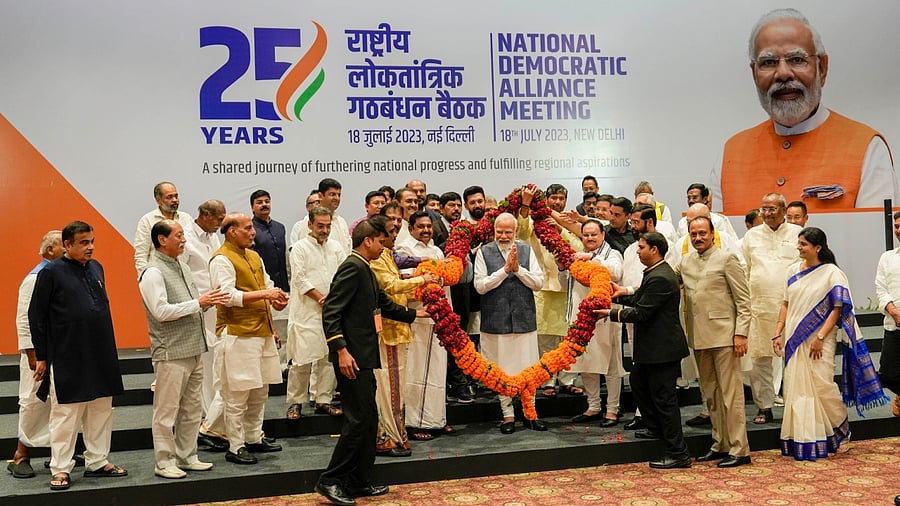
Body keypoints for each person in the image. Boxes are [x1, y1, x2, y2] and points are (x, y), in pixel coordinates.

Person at [712, 8, 896, 213]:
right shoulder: (731, 154)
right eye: (768, 63)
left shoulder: (867, 147)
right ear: (754, 74)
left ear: (822, 68)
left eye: (797, 60)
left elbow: (876, 232)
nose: (783, 74)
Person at [317, 218, 427, 506]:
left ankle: (358, 480)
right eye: (380, 241)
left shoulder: (365, 267)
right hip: (351, 357)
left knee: (368, 420)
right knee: (358, 421)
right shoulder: (352, 267)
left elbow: (384, 305)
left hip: (364, 355)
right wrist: (341, 350)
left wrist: (416, 315)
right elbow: (331, 313)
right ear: (367, 241)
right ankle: (330, 480)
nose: (384, 246)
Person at [772, 228, 888, 460]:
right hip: (795, 339)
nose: (799, 247)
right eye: (798, 243)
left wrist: (820, 337)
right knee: (796, 386)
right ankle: (806, 438)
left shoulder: (832, 273)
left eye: (803, 244)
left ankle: (842, 431)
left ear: (818, 247)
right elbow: (785, 303)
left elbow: (837, 308)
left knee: (822, 385)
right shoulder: (792, 270)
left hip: (820, 339)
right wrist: (777, 333)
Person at [29, 221, 127, 490]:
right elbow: (36, 317)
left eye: (92, 241)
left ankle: (97, 461)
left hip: (101, 352)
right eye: (84, 243)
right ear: (67, 245)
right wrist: (41, 356)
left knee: (101, 409)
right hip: (67, 354)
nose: (90, 247)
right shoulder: (50, 273)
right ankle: (61, 468)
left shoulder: (97, 267)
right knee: (66, 414)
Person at [139, 220, 228, 478]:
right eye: (178, 236)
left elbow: (190, 305)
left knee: (192, 409)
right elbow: (161, 311)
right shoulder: (152, 272)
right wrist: (199, 302)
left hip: (194, 347)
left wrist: (209, 302)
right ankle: (164, 461)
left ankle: (187, 455)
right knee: (166, 411)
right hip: (171, 351)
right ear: (162, 240)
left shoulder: (183, 266)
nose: (184, 240)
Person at [598, 232, 691, 469]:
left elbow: (642, 313)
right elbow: (643, 299)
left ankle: (678, 452)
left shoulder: (660, 276)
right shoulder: (655, 272)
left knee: (665, 400)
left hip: (662, 350)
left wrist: (611, 312)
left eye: (641, 247)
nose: (637, 251)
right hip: (652, 348)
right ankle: (655, 428)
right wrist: (620, 296)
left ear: (654, 250)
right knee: (639, 384)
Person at [209, 213, 288, 465]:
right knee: (237, 395)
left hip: (262, 331)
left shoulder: (253, 256)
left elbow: (268, 285)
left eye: (252, 228)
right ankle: (235, 445)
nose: (253, 232)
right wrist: (265, 294)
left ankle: (253, 437)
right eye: (247, 228)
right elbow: (226, 296)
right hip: (237, 333)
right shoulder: (221, 259)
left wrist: (276, 300)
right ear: (231, 231)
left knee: (260, 390)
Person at [677, 217, 752, 468]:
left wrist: (741, 334)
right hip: (698, 336)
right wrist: (628, 290)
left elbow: (743, 301)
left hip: (725, 336)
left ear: (712, 234)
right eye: (693, 234)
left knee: (731, 395)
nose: (698, 238)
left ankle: (740, 449)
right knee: (710, 395)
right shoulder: (685, 261)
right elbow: (663, 279)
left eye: (702, 233)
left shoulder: (727, 258)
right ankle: (720, 444)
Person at [371, 205, 435, 456]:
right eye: (390, 231)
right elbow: (390, 287)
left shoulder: (388, 254)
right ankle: (387, 437)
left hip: (397, 328)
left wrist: (423, 291)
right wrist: (422, 280)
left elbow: (399, 288)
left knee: (397, 387)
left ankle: (396, 434)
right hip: (387, 331)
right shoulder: (377, 259)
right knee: (389, 387)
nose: (395, 233)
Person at [474, 213, 546, 434]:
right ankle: (508, 415)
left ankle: (530, 413)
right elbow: (480, 286)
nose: (504, 236)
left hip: (524, 319)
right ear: (494, 230)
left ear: (516, 232)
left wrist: (518, 270)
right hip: (496, 321)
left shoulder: (526, 250)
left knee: (528, 368)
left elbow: (539, 282)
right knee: (501, 371)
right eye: (500, 232)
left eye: (508, 232)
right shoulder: (484, 252)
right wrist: (504, 271)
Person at [8, 230, 64, 479]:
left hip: (61, 351)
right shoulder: (34, 278)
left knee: (59, 403)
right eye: (64, 245)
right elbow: (24, 320)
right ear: (50, 250)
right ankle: (20, 456)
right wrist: (32, 354)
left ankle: (59, 453)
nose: (68, 249)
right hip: (39, 354)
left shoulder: (62, 275)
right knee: (32, 402)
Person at [742, 193, 802, 425]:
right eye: (763, 209)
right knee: (760, 361)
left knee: (793, 359)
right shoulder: (752, 236)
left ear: (784, 210)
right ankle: (764, 407)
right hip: (759, 307)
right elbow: (746, 269)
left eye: (772, 209)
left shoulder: (797, 234)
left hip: (791, 308)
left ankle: (795, 407)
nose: (766, 214)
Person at [395, 211, 453, 439]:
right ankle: (415, 423)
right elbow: (405, 283)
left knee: (437, 371)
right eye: (421, 226)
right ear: (411, 229)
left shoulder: (437, 251)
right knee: (417, 371)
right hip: (417, 318)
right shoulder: (405, 250)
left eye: (429, 226)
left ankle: (436, 420)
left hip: (438, 318)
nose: (426, 230)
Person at [285, 206, 345, 421]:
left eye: (328, 226)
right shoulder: (299, 248)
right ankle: (295, 402)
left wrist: (335, 300)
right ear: (310, 224)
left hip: (332, 312)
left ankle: (323, 400)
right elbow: (299, 278)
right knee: (302, 360)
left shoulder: (336, 247)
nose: (325, 230)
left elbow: (343, 274)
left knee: (328, 358)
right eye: (320, 226)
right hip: (306, 312)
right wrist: (321, 298)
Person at [182, 199, 229, 451]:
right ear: (205, 215)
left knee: (213, 363)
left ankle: (212, 421)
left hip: (216, 305)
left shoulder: (213, 236)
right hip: (197, 305)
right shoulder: (186, 237)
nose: (221, 223)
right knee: (206, 364)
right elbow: (181, 273)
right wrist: (196, 302)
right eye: (219, 218)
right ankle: (206, 422)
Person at [568, 220, 623, 426]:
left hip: (606, 316)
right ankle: (593, 406)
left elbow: (615, 272)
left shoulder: (612, 254)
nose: (590, 238)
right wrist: (563, 267)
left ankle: (612, 409)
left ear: (603, 235)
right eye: (586, 235)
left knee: (611, 365)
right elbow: (566, 283)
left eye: (594, 235)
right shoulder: (577, 255)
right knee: (586, 362)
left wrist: (592, 258)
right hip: (582, 315)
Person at [134, 181, 194, 274]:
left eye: (176, 196)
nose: (175, 200)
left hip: (183, 274)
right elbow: (141, 255)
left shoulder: (186, 218)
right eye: (169, 197)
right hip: (158, 274)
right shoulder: (147, 220)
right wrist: (145, 277)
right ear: (158, 200)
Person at [875, 211, 900, 414]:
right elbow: (881, 288)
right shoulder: (887, 258)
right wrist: (894, 311)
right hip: (894, 323)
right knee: (887, 374)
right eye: (897, 226)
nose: (899, 230)